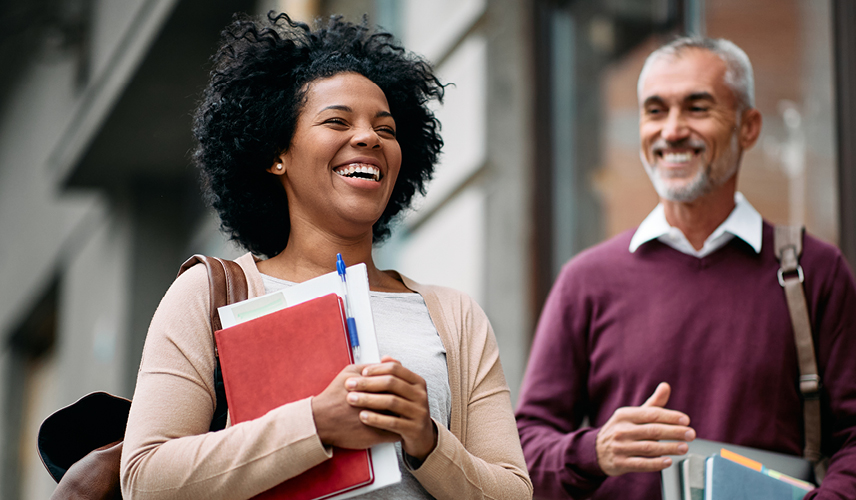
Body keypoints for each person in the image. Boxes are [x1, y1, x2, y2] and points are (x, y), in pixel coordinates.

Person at [119, 13, 532, 500]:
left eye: (387, 128)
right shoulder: (205, 295)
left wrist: (427, 439)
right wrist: (315, 424)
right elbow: (145, 480)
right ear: (277, 154)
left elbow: (513, 492)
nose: (369, 138)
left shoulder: (455, 316)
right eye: (337, 121)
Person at [515, 37, 856, 499]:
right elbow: (523, 451)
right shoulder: (587, 281)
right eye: (655, 111)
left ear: (748, 127)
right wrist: (595, 450)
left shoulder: (815, 271)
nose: (672, 131)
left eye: (697, 108)